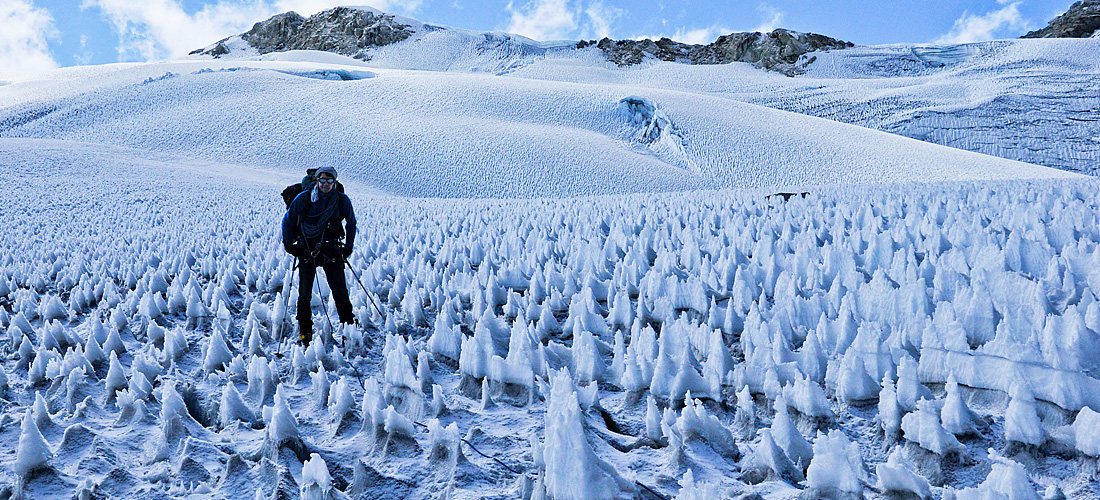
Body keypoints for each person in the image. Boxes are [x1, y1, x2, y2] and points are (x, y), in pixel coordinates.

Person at [282, 165, 356, 345]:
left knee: (339, 290)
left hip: (331, 247)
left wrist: (348, 247)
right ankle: (305, 330)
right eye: (323, 180)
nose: (326, 184)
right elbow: (288, 219)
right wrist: (289, 244)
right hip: (307, 247)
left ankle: (348, 325)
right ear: (317, 180)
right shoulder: (304, 198)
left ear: (334, 182)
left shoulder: (341, 200)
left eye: (329, 180)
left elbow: (351, 223)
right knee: (305, 292)